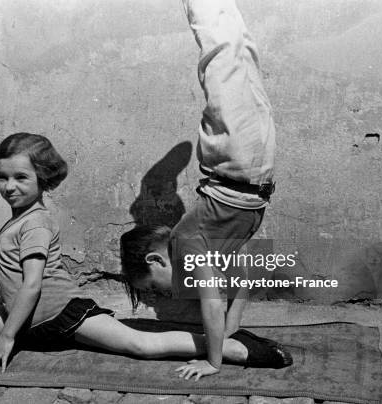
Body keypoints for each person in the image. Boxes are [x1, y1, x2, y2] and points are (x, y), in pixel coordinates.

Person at [0, 132, 263, 376]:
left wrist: (5, 339)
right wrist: (7, 324)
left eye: (21, 177)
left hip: (60, 315)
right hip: (21, 315)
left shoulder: (35, 223)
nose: (9, 187)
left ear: (43, 179)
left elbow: (33, 284)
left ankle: (228, 349)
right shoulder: (19, 219)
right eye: (2, 178)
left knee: (139, 345)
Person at [121, 0, 291, 381]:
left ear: (155, 261)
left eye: (155, 290)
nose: (164, 296)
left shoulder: (186, 245)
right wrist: (234, 321)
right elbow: (247, 271)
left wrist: (213, 360)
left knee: (220, 54)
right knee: (240, 54)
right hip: (252, 167)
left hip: (235, 162)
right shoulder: (206, 244)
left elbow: (210, 304)